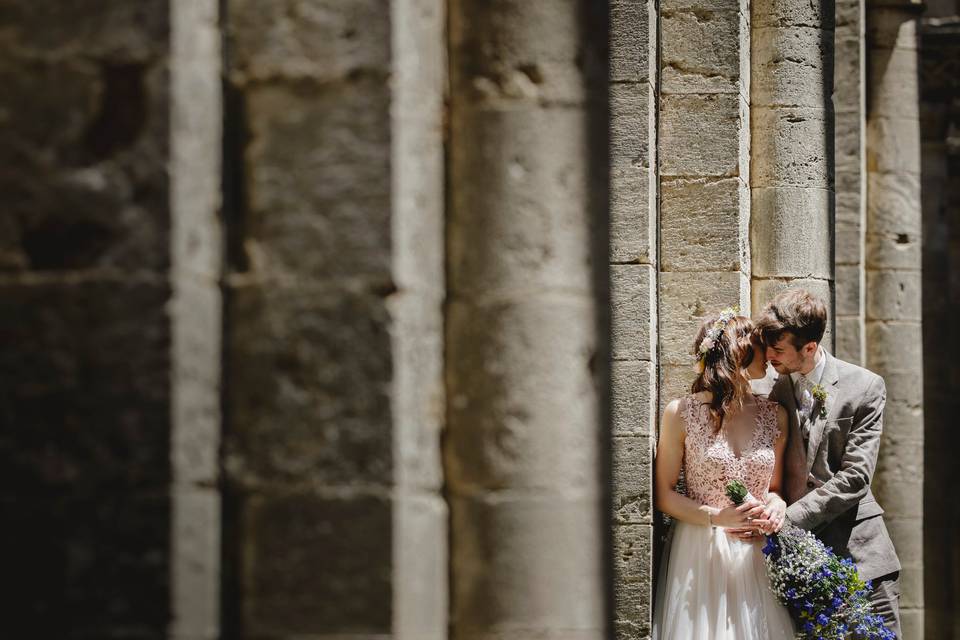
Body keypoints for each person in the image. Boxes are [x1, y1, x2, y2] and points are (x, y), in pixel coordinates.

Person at [750, 289, 902, 637]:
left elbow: (855, 477)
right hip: (799, 567)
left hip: (862, 556)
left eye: (778, 349)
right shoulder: (774, 391)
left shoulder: (865, 387)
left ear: (809, 347)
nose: (769, 355)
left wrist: (788, 518)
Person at [651, 310, 794, 639]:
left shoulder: (776, 415)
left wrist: (777, 508)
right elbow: (663, 494)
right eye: (760, 344)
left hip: (757, 551)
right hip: (702, 549)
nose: (769, 352)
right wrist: (719, 517)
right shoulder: (681, 413)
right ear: (740, 351)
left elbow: (775, 489)